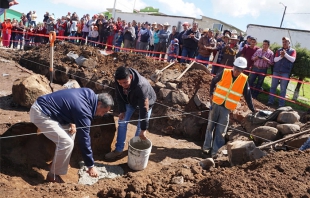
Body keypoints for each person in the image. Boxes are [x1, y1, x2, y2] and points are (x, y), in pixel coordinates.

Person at [29, 88, 114, 183]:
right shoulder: (84, 111)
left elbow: (71, 104)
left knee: (70, 133)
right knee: (66, 143)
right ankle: (52, 176)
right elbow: (84, 139)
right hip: (41, 113)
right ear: (99, 104)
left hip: (52, 111)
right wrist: (90, 165)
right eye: (104, 111)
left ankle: (56, 164)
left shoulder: (89, 93)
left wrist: (72, 121)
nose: (102, 115)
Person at [202, 57, 255, 158]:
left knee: (221, 130)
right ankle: (206, 147)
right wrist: (211, 93)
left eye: (239, 71)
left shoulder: (244, 79)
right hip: (216, 103)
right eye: (235, 69)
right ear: (233, 66)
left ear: (242, 71)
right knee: (210, 126)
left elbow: (248, 96)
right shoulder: (225, 72)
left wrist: (252, 109)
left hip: (227, 108)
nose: (236, 72)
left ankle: (215, 152)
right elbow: (213, 81)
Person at [105, 66, 156, 160]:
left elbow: (144, 108)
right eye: (120, 83)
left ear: (131, 77)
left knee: (140, 128)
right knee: (122, 122)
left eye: (125, 82)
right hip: (130, 100)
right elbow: (119, 96)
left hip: (146, 101)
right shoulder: (119, 81)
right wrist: (122, 111)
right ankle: (118, 150)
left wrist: (144, 129)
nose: (123, 85)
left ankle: (134, 151)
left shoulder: (141, 86)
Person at [267, 37, 296, 107]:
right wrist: (281, 56)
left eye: (286, 42)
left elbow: (293, 60)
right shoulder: (279, 50)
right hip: (276, 71)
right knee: (273, 87)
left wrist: (285, 55)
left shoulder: (293, 51)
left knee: (283, 89)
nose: (284, 43)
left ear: (289, 43)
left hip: (285, 72)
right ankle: (270, 101)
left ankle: (281, 104)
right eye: (283, 42)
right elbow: (275, 60)